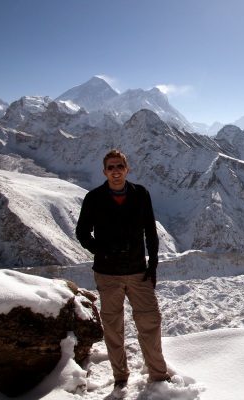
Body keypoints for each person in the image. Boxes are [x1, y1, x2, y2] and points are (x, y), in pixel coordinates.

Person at [76, 149, 170, 398]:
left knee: (151, 322)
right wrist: (101, 251)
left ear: (127, 169)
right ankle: (120, 377)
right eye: (110, 167)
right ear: (104, 171)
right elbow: (82, 233)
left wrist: (153, 266)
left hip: (138, 271)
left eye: (119, 166)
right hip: (107, 274)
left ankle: (158, 374)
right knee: (113, 327)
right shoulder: (94, 198)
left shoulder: (140, 194)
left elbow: (150, 231)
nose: (115, 171)